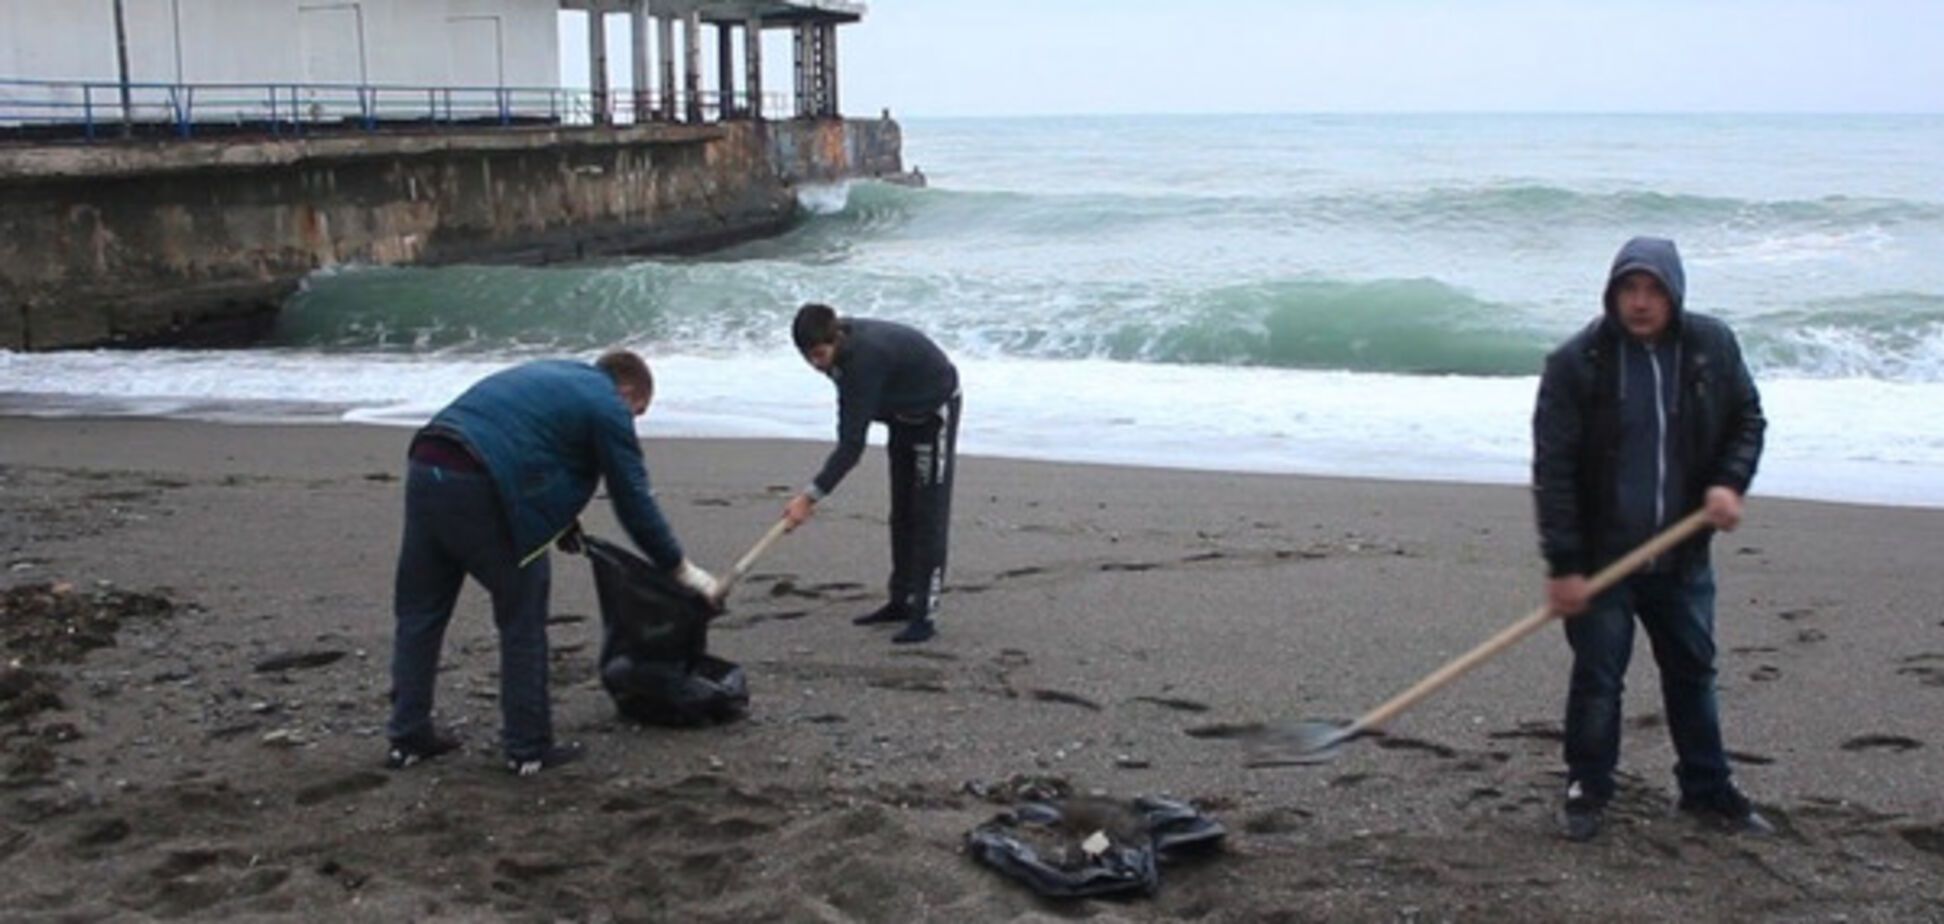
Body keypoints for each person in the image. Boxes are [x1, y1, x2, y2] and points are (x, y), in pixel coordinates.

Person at [1533, 236, 1769, 841]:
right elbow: (1554, 471)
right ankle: (1588, 786)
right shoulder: (1577, 363)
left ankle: (1706, 788)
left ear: (1675, 294)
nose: (1640, 303)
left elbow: (1747, 420)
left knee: (1693, 671)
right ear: (1612, 294)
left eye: (1653, 291)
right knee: (1599, 677)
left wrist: (1729, 482)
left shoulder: (1711, 347)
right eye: (1629, 290)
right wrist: (1565, 564)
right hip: (1602, 559)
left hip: (1681, 555)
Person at [386, 350, 718, 776]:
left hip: (428, 462)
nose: (631, 423)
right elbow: (632, 498)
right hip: (481, 482)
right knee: (522, 616)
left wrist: (560, 522)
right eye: (637, 413)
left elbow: (528, 446)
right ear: (628, 390)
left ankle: (408, 737)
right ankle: (527, 747)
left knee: (420, 613)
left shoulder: (559, 376)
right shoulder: (607, 404)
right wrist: (679, 568)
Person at [784, 303, 961, 644]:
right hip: (899, 412)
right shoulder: (838, 358)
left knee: (928, 516)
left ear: (835, 338)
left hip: (932, 411)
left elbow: (852, 446)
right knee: (902, 512)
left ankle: (925, 614)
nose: (815, 364)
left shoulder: (865, 360)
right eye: (808, 357)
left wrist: (809, 498)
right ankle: (901, 600)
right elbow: (852, 423)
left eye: (819, 355)